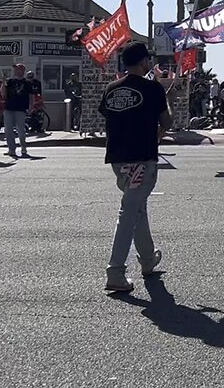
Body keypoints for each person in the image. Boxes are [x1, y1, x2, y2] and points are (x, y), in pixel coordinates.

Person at [98, 42, 169, 293]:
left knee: (137, 207)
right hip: (142, 157)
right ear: (142, 62)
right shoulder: (152, 88)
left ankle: (148, 259)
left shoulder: (110, 88)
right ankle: (115, 270)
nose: (149, 63)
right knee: (129, 211)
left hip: (118, 158)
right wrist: (157, 133)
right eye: (147, 60)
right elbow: (166, 121)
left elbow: (106, 115)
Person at [0, 64, 36, 158]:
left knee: (20, 130)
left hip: (20, 109)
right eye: (15, 69)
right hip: (8, 108)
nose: (15, 71)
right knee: (8, 130)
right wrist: (3, 84)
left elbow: (31, 96)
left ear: (22, 71)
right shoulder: (10, 82)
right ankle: (11, 149)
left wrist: (31, 107)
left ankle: (23, 146)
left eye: (17, 69)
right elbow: (3, 94)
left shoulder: (27, 83)